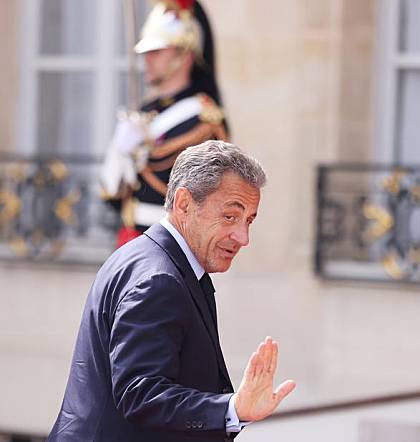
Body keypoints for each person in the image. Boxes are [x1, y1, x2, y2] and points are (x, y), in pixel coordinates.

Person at [48, 141, 296, 441]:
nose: (242, 237)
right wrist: (232, 408)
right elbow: (140, 395)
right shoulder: (158, 279)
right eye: (230, 216)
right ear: (184, 204)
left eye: (249, 220)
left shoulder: (153, 260)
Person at [101, 0, 229, 248]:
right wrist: (121, 151)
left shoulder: (203, 118)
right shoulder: (145, 112)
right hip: (131, 240)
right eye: (146, 52)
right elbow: (110, 194)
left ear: (184, 55)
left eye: (157, 52)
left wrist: (140, 152)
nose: (147, 59)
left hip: (171, 245)